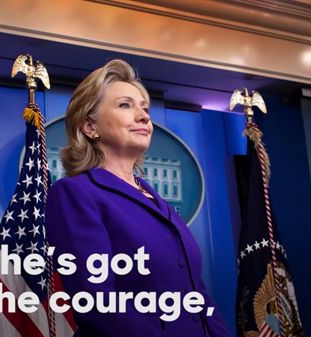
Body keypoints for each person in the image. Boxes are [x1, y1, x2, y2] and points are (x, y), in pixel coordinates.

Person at [45, 59, 230, 337]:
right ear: (89, 126)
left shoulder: (159, 202)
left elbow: (196, 292)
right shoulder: (75, 194)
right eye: (125, 105)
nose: (144, 116)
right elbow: (97, 302)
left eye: (145, 107)